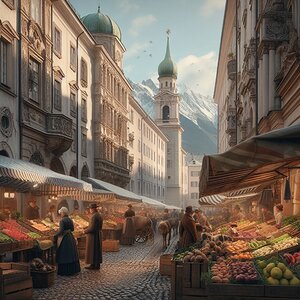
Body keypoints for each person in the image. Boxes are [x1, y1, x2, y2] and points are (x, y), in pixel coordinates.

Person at [54, 207, 80, 276]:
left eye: (61, 213)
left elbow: (61, 230)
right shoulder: (70, 219)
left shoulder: (62, 221)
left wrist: (55, 235)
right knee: (71, 253)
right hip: (70, 237)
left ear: (63, 213)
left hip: (64, 239)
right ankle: (72, 270)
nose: (60, 214)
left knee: (64, 254)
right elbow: (72, 229)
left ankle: (65, 271)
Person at [84, 203, 103, 270]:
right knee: (96, 250)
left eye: (90, 209)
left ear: (93, 209)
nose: (90, 210)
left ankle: (93, 264)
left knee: (92, 250)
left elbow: (92, 228)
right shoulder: (98, 215)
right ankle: (96, 264)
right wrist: (87, 227)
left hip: (93, 236)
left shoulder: (94, 216)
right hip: (97, 234)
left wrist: (85, 231)